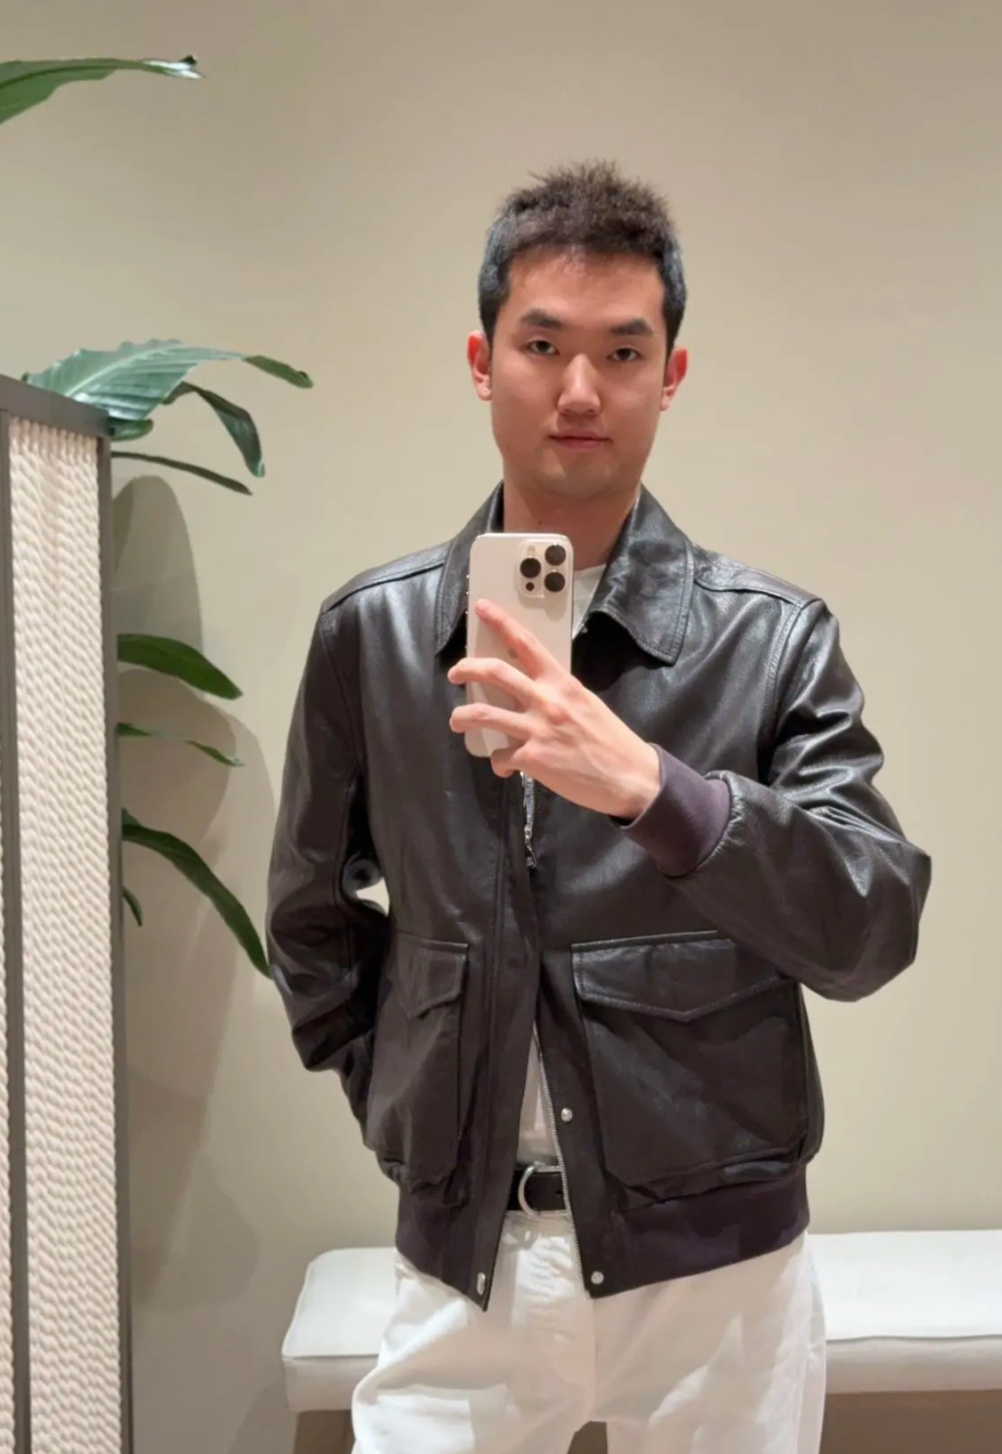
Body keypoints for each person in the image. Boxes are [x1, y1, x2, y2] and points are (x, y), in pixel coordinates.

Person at [266, 159, 932, 1454]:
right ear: (483, 362)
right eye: (543, 345)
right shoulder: (374, 634)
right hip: (466, 1268)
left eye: (623, 351)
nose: (580, 390)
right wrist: (417, 1112)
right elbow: (310, 922)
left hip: (721, 1280)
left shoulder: (771, 639)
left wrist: (654, 791)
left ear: (671, 374)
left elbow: (871, 924)